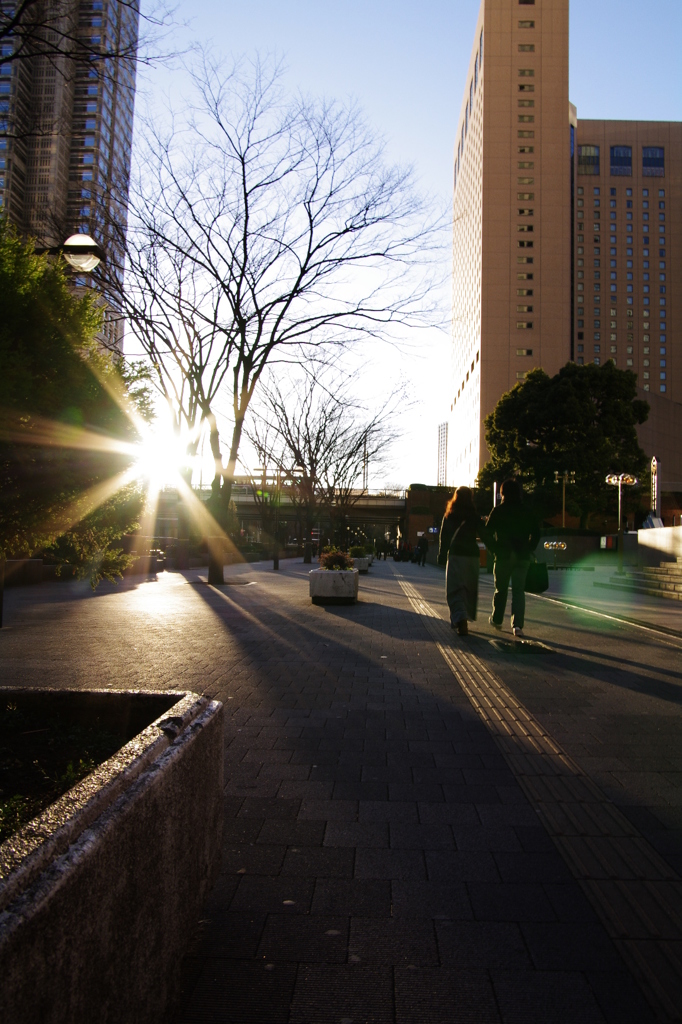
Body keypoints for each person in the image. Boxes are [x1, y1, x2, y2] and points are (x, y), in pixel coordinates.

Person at [486, 478, 541, 637]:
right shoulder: (526, 511)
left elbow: (487, 533)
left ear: (502, 493)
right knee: (518, 591)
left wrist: (494, 549)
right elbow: (536, 533)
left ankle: (497, 620)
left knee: (500, 589)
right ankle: (517, 626)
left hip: (503, 556)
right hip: (522, 556)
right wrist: (529, 549)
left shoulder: (498, 511)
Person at [438, 487, 488, 636]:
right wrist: (496, 549)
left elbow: (444, 537)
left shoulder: (449, 515)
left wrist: (441, 555)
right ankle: (465, 615)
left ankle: (461, 620)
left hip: (456, 555)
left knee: (455, 589)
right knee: (469, 589)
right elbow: (486, 535)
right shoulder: (474, 516)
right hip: (472, 556)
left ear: (456, 497)